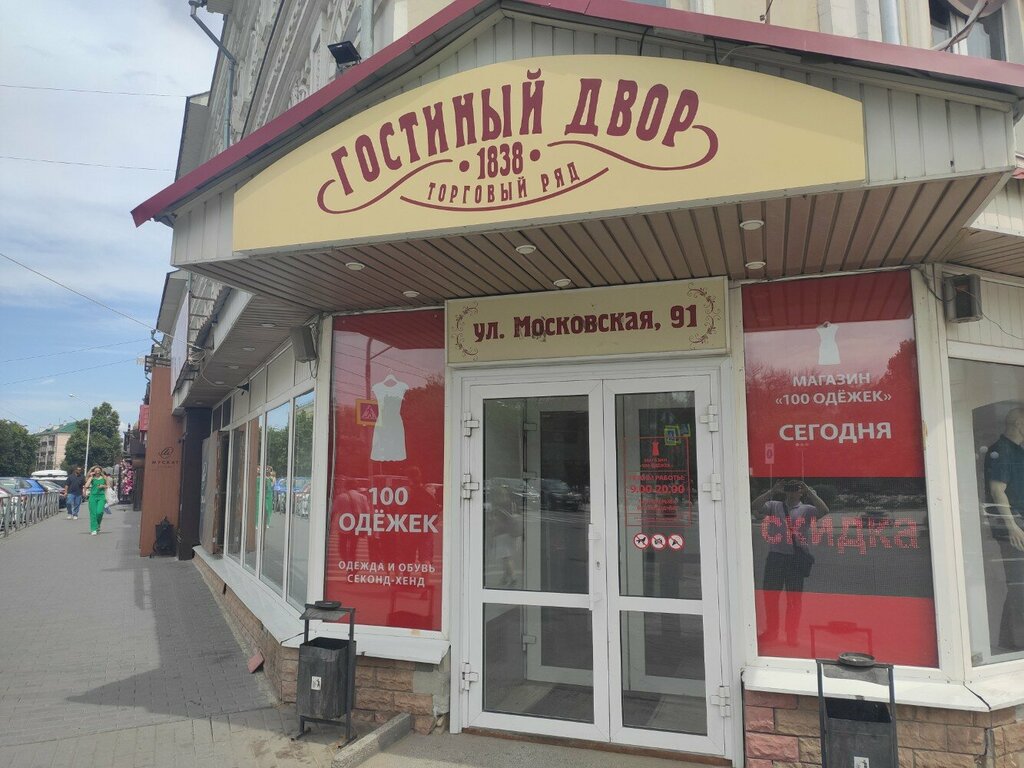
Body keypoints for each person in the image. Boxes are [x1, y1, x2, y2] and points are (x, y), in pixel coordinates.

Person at [752, 479, 830, 646]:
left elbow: (824, 510)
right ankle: (772, 631)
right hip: (776, 556)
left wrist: (810, 492)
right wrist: (772, 491)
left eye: (796, 488)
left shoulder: (806, 509)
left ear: (801, 492)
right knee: (771, 597)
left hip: (795, 558)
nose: (792, 491)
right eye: (790, 488)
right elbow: (755, 506)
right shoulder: (774, 506)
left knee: (794, 599)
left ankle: (791, 634)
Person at [984, 407, 1024, 651]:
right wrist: (1012, 527)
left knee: (1020, 584)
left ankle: (1011, 641)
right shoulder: (1001, 451)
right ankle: (1015, 643)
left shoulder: (1017, 451)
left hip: (1019, 523)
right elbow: (997, 491)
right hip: (1015, 525)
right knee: (1018, 585)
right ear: (1019, 423)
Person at [85, 465, 108, 536]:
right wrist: (91, 477)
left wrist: (103, 486)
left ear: (101, 471)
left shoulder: (104, 477)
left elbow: (108, 486)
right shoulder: (92, 478)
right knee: (93, 514)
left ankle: (97, 525)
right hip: (93, 497)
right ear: (93, 472)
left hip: (101, 497)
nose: (97, 472)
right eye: (96, 471)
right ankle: (93, 529)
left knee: (99, 512)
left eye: (98, 471)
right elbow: (86, 486)